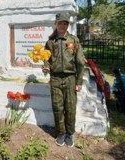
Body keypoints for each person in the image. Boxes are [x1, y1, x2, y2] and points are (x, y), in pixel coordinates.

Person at [42, 12, 85, 148]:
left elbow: (80, 62)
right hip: (55, 78)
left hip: (70, 78)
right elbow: (46, 58)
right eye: (60, 23)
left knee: (70, 107)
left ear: (68, 25)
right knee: (57, 106)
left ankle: (69, 133)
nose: (62, 25)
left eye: (65, 23)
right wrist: (46, 67)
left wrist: (79, 82)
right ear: (56, 24)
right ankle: (61, 132)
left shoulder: (73, 40)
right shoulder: (50, 42)